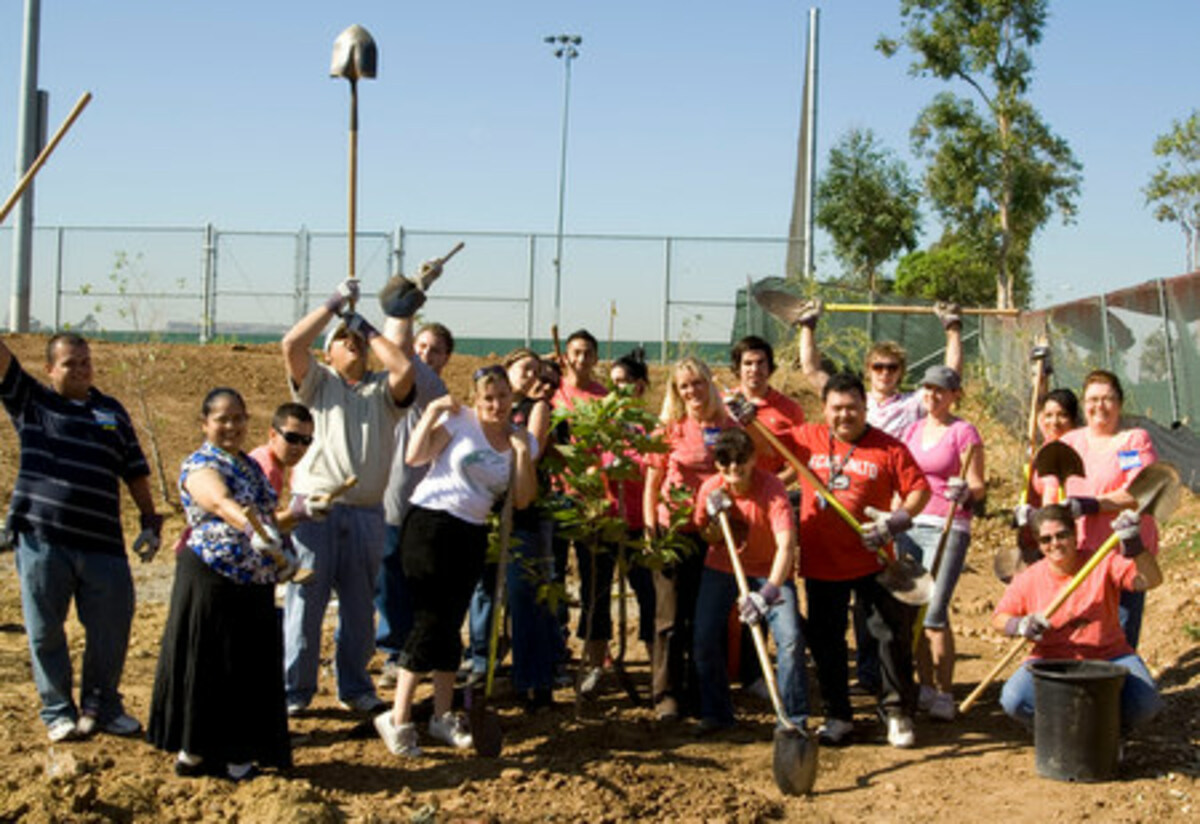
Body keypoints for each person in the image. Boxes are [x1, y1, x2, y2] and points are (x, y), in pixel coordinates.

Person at [0, 333, 161, 743]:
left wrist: (149, 519)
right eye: (71, 363)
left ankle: (104, 705)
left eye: (86, 361)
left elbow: (134, 468)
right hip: (43, 540)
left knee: (111, 629)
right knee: (45, 630)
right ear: (50, 369)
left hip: (103, 542)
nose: (82, 369)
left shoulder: (111, 411)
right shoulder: (33, 401)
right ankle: (58, 711)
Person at [797, 298, 961, 696]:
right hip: (845, 514)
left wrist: (952, 329)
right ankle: (865, 678)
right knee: (845, 610)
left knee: (886, 610)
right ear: (868, 372)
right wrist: (808, 327)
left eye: (892, 368)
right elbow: (812, 370)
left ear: (902, 373)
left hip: (891, 516)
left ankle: (894, 686)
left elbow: (950, 378)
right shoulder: (848, 399)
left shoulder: (911, 405)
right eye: (878, 367)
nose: (885, 374)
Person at [374, 365, 537, 757]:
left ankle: (441, 715)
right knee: (430, 618)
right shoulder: (460, 422)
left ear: (512, 399)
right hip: (430, 522)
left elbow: (523, 499)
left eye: (502, 398)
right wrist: (431, 413)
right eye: (488, 399)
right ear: (477, 401)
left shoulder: (524, 441)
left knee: (451, 620)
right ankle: (397, 718)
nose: (496, 405)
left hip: (472, 531)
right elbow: (415, 456)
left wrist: (520, 454)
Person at [281, 276, 421, 715]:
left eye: (357, 338)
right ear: (329, 353)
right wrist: (334, 305)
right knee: (305, 605)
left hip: (365, 513)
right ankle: (294, 691)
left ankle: (355, 687)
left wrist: (367, 326)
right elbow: (291, 344)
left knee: (360, 611)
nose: (353, 343)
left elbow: (404, 370)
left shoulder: (384, 390)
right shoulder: (317, 384)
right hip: (315, 512)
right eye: (344, 339)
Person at [147, 388, 292, 781]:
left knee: (245, 666)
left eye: (238, 418)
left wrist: (292, 524)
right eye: (222, 419)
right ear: (205, 423)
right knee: (207, 660)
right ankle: (193, 750)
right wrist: (249, 525)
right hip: (212, 576)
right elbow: (218, 500)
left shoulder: (250, 465)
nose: (231, 426)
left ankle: (238, 755)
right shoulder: (200, 463)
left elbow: (269, 516)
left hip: (255, 581)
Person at [787, 372, 930, 748]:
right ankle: (838, 715)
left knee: (888, 637)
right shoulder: (806, 439)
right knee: (827, 642)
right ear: (824, 410)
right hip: (821, 564)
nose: (844, 415)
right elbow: (764, 447)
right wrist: (743, 416)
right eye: (836, 408)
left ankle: (896, 712)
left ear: (865, 408)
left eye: (852, 408)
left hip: (874, 561)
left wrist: (896, 521)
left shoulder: (889, 448)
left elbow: (919, 490)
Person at [992, 504, 1163, 734]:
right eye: (1046, 539)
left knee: (1145, 705)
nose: (1055, 544)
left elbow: (1151, 580)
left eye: (1062, 535)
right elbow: (998, 619)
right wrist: (1019, 624)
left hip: (1110, 657)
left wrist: (1134, 545)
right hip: (1050, 661)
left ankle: (1111, 733)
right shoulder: (1029, 578)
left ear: (1075, 534)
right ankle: (1055, 730)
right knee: (1014, 700)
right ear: (1039, 544)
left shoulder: (1101, 562)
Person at [692, 429, 807, 734]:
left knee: (791, 638)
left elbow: (786, 545)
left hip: (771, 570)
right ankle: (717, 714)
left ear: (753, 458)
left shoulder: (772, 489)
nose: (733, 469)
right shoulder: (710, 489)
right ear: (717, 464)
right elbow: (707, 536)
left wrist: (768, 592)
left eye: (740, 461)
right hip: (722, 568)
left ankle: (793, 719)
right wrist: (718, 522)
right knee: (704, 637)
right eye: (725, 462)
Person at [642, 357, 738, 721]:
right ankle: (666, 694)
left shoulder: (727, 425)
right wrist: (651, 528)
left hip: (713, 533)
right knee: (669, 617)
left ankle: (702, 690)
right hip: (673, 531)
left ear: (709, 383)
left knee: (705, 618)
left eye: (697, 383)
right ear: (676, 391)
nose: (692, 391)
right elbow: (653, 483)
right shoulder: (669, 428)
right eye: (684, 386)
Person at [896, 365, 985, 722]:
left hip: (949, 526)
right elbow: (903, 478)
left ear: (954, 395)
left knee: (934, 612)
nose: (932, 396)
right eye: (927, 389)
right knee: (912, 609)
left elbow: (978, 484)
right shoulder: (912, 430)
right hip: (912, 524)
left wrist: (966, 492)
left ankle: (946, 691)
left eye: (940, 391)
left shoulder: (964, 433)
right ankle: (926, 684)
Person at [1049, 371, 1160, 648]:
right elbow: (1052, 493)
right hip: (1082, 553)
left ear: (1119, 403)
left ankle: (1120, 686)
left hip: (1124, 552)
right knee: (1081, 630)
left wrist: (1092, 505)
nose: (1099, 406)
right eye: (1093, 399)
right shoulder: (1069, 443)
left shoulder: (1133, 441)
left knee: (1120, 632)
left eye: (1107, 399)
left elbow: (1141, 492)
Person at [376, 320, 455, 690]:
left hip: (424, 507)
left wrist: (403, 316)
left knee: (420, 582)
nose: (425, 354)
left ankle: (414, 652)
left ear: (446, 358)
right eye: (421, 346)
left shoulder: (435, 391)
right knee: (389, 580)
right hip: (389, 500)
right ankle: (394, 652)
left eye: (435, 349)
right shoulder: (390, 387)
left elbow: (402, 354)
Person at [550, 329, 613, 692]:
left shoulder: (603, 398)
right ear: (565, 356)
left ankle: (594, 659)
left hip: (595, 500)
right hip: (557, 499)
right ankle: (557, 653)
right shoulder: (552, 393)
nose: (581, 359)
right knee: (553, 577)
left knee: (596, 582)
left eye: (588, 353)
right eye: (575, 352)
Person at [608, 349, 656, 663]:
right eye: (613, 383)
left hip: (641, 524)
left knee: (649, 596)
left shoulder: (651, 428)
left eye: (623, 382)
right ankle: (599, 659)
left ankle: (657, 662)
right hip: (606, 524)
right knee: (596, 597)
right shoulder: (604, 425)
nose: (617, 390)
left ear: (639, 386)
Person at [729, 335, 805, 483]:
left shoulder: (790, 409)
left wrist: (771, 487)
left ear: (770, 366)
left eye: (760, 363)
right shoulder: (724, 404)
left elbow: (799, 463)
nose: (754, 369)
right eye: (748, 363)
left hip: (769, 492)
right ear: (738, 368)